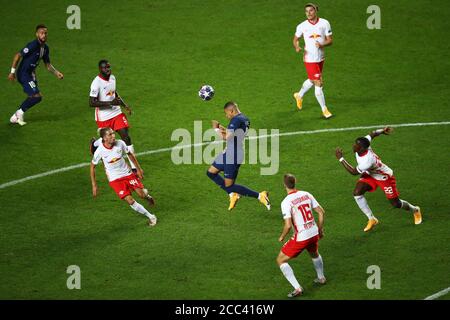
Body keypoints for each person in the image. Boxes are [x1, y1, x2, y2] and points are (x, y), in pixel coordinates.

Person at [335, 127, 422, 232]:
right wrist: (382, 130)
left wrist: (341, 158)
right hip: (370, 174)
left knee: (396, 204)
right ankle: (371, 219)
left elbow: (353, 172)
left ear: (362, 148)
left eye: (356, 145)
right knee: (357, 193)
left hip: (384, 177)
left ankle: (415, 210)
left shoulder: (367, 161)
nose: (354, 145)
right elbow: (372, 134)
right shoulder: (364, 144)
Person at [206, 101, 271, 211]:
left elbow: (227, 137)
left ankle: (260, 196)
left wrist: (216, 129)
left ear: (232, 110)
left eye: (227, 113)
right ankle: (233, 195)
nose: (226, 116)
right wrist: (220, 127)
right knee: (210, 173)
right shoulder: (244, 119)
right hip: (230, 152)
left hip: (233, 155)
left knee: (230, 186)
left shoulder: (235, 120)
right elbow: (231, 134)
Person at [90, 127, 157, 227]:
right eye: (110, 134)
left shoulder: (120, 143)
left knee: (141, 195)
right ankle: (151, 217)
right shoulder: (100, 151)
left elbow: (130, 155)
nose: (113, 136)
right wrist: (94, 185)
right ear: (104, 138)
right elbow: (92, 167)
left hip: (127, 174)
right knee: (130, 200)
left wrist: (138, 169)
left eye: (113, 133)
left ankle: (147, 197)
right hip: (115, 179)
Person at [276, 174, 326, 298]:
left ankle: (297, 288)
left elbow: (288, 226)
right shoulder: (306, 194)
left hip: (302, 237)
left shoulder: (286, 202)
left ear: (284, 185)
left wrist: (282, 237)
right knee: (314, 253)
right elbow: (321, 211)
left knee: (280, 260)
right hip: (314, 232)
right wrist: (320, 229)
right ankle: (321, 278)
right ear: (295, 182)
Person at [8, 24, 64, 126]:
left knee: (35, 96)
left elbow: (47, 65)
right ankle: (19, 114)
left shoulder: (45, 48)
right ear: (37, 34)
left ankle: (14, 117)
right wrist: (12, 72)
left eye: (45, 33)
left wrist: (57, 73)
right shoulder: (32, 45)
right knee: (36, 96)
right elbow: (17, 55)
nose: (44, 35)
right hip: (23, 74)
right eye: (42, 33)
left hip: (31, 74)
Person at [88, 59, 137, 172]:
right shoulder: (96, 83)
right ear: (100, 69)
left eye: (109, 67)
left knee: (126, 136)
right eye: (105, 68)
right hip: (103, 116)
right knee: (107, 140)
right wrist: (110, 103)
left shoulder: (113, 78)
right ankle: (95, 144)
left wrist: (125, 105)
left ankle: (134, 167)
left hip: (116, 112)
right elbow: (91, 102)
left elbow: (114, 92)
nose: (108, 69)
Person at [292, 3, 333, 119]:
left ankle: (299, 95)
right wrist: (297, 46)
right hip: (309, 58)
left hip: (320, 57)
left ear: (315, 11)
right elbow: (295, 39)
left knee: (312, 79)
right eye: (306, 11)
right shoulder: (302, 26)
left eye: (311, 11)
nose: (308, 13)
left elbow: (330, 40)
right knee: (318, 82)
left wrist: (322, 44)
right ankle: (324, 110)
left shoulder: (325, 23)